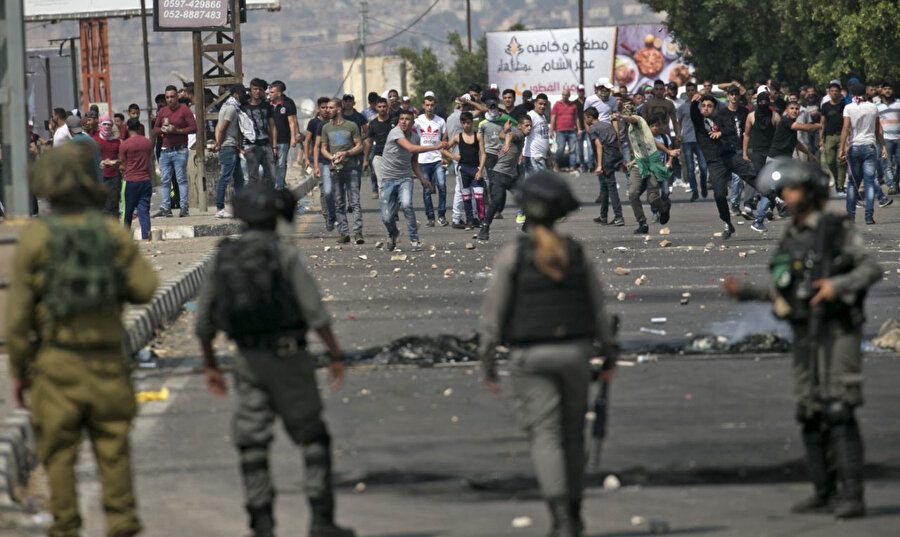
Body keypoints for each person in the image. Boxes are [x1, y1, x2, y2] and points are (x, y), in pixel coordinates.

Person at [7, 142, 158, 537]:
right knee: (113, 451)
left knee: (58, 456)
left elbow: (19, 317)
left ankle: (67, 526)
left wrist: (20, 371)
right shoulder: (111, 233)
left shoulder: (36, 239)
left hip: (55, 366)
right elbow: (144, 288)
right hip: (108, 363)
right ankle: (122, 524)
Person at [724, 158, 881, 520]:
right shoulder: (792, 235)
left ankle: (852, 495)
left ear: (809, 192)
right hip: (803, 330)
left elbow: (870, 268)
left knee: (839, 408)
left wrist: (835, 286)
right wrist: (745, 291)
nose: (786, 196)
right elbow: (786, 288)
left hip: (837, 329)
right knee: (809, 410)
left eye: (791, 189)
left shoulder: (833, 227)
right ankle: (824, 491)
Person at [195, 184, 356, 537]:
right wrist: (335, 354)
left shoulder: (223, 256)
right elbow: (315, 312)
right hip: (289, 359)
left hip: (247, 362)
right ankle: (321, 521)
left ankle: (261, 523)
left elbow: (204, 322)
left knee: (252, 443)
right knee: (313, 436)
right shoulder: (284, 254)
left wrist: (210, 365)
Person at [479, 171, 617, 537]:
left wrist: (488, 362)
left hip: (530, 355)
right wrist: (609, 355)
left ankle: (560, 518)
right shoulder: (575, 253)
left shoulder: (513, 255)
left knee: (545, 434)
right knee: (573, 433)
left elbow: (493, 318)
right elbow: (598, 311)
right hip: (575, 352)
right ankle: (574, 512)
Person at [377, 109, 441, 251]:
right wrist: (435, 147)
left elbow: (414, 161)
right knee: (387, 217)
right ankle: (393, 234)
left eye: (407, 119)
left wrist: (422, 178)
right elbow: (410, 148)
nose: (404, 122)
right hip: (388, 179)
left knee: (407, 205)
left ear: (413, 122)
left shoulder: (415, 137)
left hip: (405, 178)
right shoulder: (395, 132)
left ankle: (414, 239)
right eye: (401, 119)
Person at [839, 83, 892, 224]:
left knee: (852, 183)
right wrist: (884, 146)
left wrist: (841, 148)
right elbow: (877, 130)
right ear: (865, 93)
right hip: (870, 147)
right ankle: (869, 216)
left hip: (854, 147)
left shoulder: (848, 108)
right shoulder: (872, 107)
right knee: (869, 182)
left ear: (851, 94)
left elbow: (845, 128)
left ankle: (850, 216)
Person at [619, 99, 671, 234]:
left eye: (629, 107)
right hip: (639, 163)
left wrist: (668, 151)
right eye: (624, 108)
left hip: (652, 162)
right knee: (632, 194)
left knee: (652, 197)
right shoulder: (629, 128)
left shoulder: (638, 120)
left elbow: (632, 119)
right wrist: (633, 161)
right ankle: (642, 223)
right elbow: (647, 144)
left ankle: (663, 208)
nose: (626, 110)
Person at [477, 116, 532, 241]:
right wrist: (507, 143)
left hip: (511, 176)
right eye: (526, 125)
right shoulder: (519, 134)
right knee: (496, 200)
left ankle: (528, 224)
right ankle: (484, 228)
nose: (529, 128)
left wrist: (505, 130)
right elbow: (509, 137)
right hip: (499, 174)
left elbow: (502, 135)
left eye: (530, 126)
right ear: (520, 126)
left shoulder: (517, 133)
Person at [320, 98, 364, 244]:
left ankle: (358, 232)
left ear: (338, 109)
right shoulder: (326, 128)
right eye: (326, 108)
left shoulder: (351, 126)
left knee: (354, 201)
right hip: (335, 170)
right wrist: (331, 158)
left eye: (331, 108)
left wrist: (346, 153)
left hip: (350, 168)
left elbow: (360, 146)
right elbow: (323, 148)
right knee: (339, 203)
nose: (328, 110)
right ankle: (344, 233)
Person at [152, 84, 197, 217]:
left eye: (172, 96)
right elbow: (155, 129)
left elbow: (194, 128)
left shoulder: (184, 110)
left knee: (181, 179)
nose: (170, 99)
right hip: (165, 150)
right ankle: (166, 207)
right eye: (167, 97)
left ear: (177, 96)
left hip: (180, 150)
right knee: (165, 180)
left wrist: (177, 131)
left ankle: (184, 207)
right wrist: (163, 130)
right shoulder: (163, 112)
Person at [442, 111, 484, 228]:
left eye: (469, 123)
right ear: (461, 123)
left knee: (479, 195)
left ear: (472, 123)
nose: (467, 125)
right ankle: (468, 220)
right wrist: (453, 157)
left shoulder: (478, 136)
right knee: (465, 195)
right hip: (463, 169)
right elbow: (443, 150)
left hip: (475, 168)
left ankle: (480, 219)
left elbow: (483, 153)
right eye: (464, 123)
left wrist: (481, 169)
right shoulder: (458, 137)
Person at [585, 107, 624, 226]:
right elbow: (617, 138)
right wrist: (621, 156)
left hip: (606, 157)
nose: (585, 120)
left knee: (611, 186)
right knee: (605, 186)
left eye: (585, 117)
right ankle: (603, 216)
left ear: (590, 118)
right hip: (614, 154)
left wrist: (599, 165)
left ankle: (618, 217)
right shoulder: (607, 125)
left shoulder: (592, 129)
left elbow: (599, 146)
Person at [213, 84, 247, 219]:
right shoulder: (231, 108)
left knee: (239, 179)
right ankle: (219, 208)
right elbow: (222, 128)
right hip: (228, 147)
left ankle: (241, 207)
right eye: (242, 93)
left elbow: (219, 127)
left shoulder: (228, 106)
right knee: (225, 178)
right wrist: (219, 144)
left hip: (233, 147)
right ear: (236, 94)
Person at [414, 94, 449, 226]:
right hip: (423, 160)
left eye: (432, 105)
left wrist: (444, 156)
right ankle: (430, 217)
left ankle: (441, 215)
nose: (429, 108)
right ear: (423, 106)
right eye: (427, 105)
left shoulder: (440, 121)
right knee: (427, 189)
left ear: (435, 106)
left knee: (442, 186)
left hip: (437, 159)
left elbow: (444, 140)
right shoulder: (418, 121)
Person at [119, 118, 155, 239]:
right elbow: (150, 159)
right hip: (145, 180)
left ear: (128, 128)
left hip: (130, 181)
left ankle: (124, 238)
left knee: (127, 212)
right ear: (139, 127)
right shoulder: (148, 142)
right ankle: (146, 236)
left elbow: (123, 165)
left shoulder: (125, 145)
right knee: (144, 211)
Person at [243, 78, 279, 187]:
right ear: (250, 89)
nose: (257, 91)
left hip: (266, 145)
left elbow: (272, 127)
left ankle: (268, 201)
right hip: (251, 146)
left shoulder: (266, 106)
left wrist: (274, 147)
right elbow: (240, 128)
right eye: (255, 89)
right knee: (253, 177)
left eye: (260, 89)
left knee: (271, 177)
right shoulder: (244, 107)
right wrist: (240, 147)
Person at [363, 97, 397, 198]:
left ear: (388, 107)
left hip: (393, 156)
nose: (382, 109)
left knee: (394, 184)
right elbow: (369, 142)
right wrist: (365, 160)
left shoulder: (395, 121)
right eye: (380, 107)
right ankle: (386, 211)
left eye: (384, 106)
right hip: (379, 156)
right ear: (376, 108)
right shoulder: (373, 124)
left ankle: (393, 210)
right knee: (382, 185)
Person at [269, 80, 298, 190]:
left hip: (284, 140)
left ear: (279, 94)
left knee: (281, 164)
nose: (269, 94)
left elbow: (292, 122)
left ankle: (279, 187)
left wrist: (293, 138)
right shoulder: (268, 105)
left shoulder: (287, 104)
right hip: (270, 141)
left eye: (272, 92)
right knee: (271, 164)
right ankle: (271, 185)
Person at [93, 115, 122, 218]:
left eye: (109, 124)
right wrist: (102, 163)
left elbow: (121, 157)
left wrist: (116, 162)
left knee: (113, 204)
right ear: (100, 125)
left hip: (114, 176)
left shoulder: (116, 141)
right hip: (99, 177)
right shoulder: (94, 140)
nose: (106, 127)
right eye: (104, 124)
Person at [550, 89, 581, 172]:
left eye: (567, 95)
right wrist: (551, 130)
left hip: (571, 131)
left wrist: (579, 130)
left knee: (573, 150)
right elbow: (553, 118)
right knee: (560, 149)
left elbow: (576, 118)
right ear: (562, 95)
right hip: (560, 131)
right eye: (563, 94)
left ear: (569, 95)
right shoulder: (557, 105)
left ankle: (572, 167)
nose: (565, 96)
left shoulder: (573, 106)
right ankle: (556, 164)